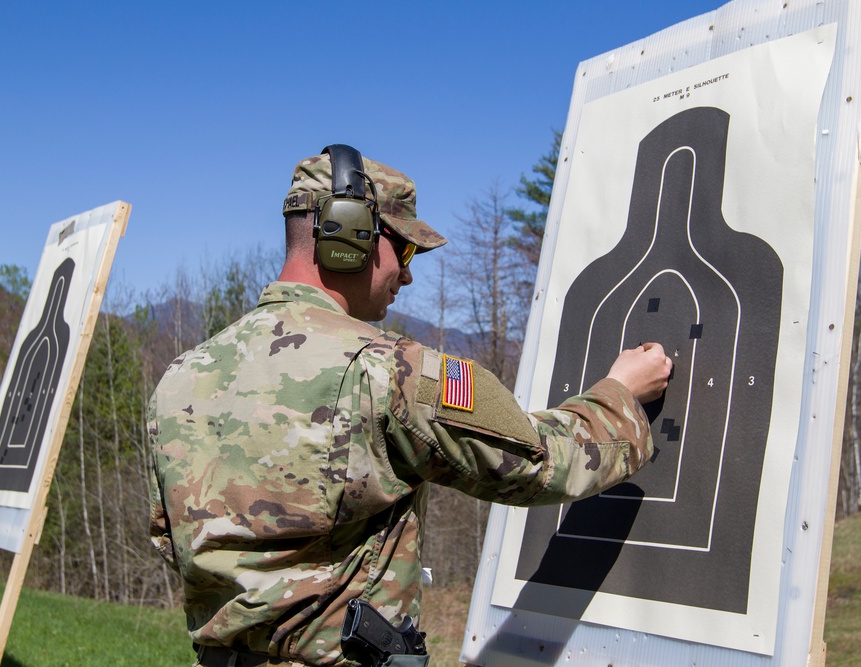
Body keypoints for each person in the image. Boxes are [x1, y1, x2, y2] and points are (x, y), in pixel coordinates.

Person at [148, 144, 672, 667]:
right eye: (403, 252)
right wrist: (620, 393)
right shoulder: (389, 371)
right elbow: (540, 463)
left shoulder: (178, 379)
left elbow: (170, 541)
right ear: (350, 235)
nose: (408, 275)